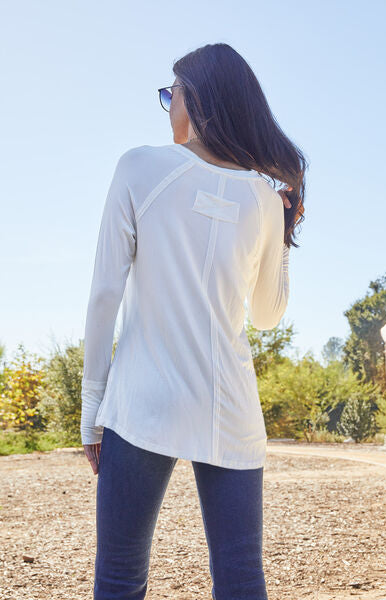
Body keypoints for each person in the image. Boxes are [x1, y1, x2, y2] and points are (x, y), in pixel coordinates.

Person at [80, 42, 307, 600]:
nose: (169, 106)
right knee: (240, 579)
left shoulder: (139, 167)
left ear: (197, 100)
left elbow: (105, 294)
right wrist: (283, 236)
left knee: (120, 577)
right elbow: (267, 315)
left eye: (171, 94)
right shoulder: (262, 199)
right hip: (229, 409)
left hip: (143, 403)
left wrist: (92, 409)